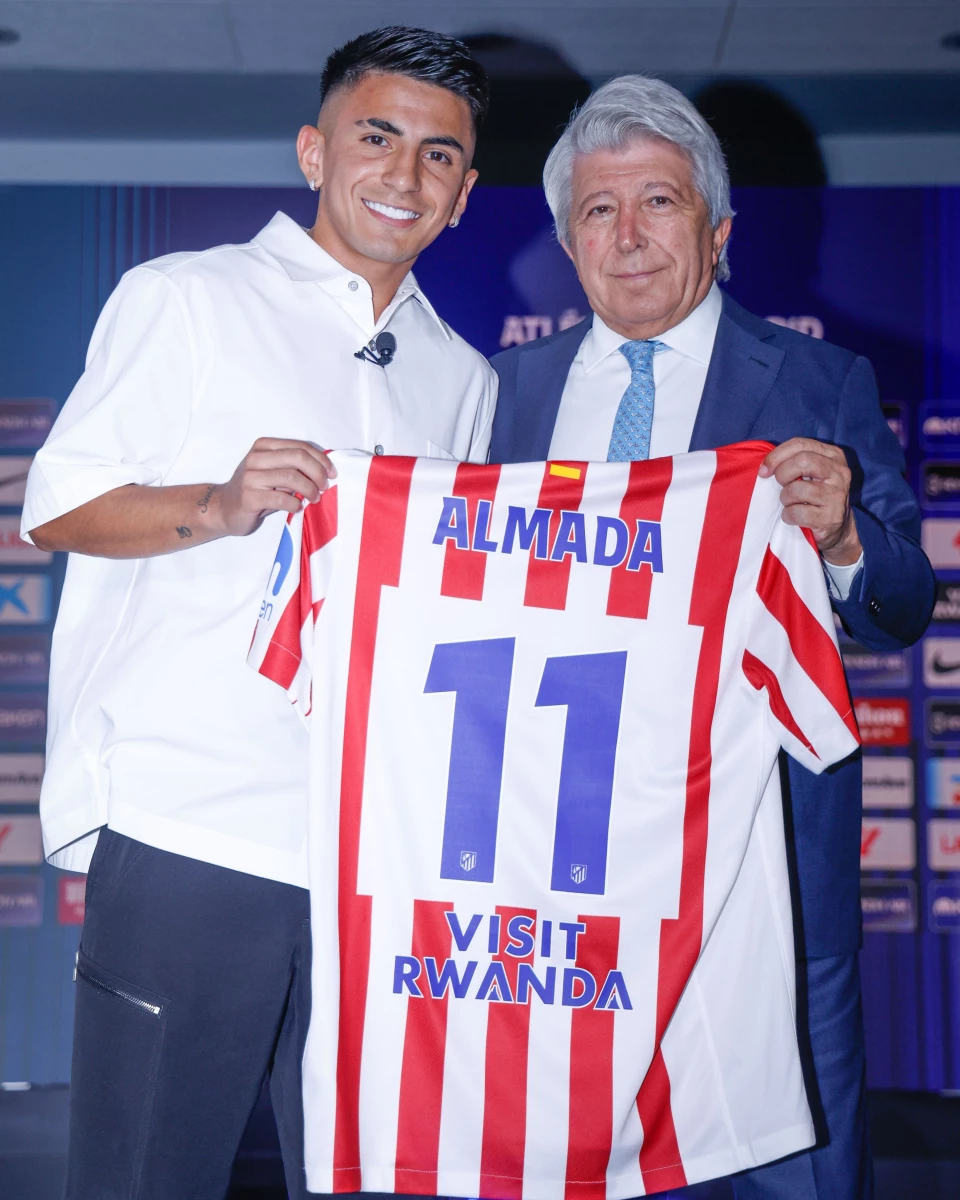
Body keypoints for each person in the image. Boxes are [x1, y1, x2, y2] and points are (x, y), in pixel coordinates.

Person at [23, 26, 494, 1200]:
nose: (404, 172)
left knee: (369, 1177)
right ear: (312, 149)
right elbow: (59, 506)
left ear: (466, 192)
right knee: (147, 1177)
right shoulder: (187, 295)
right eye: (376, 136)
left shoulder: (464, 375)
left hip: (376, 852)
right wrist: (221, 503)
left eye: (439, 155)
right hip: (196, 826)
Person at [489, 75, 934, 1200]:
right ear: (564, 237)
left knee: (794, 1175)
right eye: (598, 209)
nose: (628, 237)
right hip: (559, 874)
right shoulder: (497, 397)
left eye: (659, 204)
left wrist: (839, 540)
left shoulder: (821, 382)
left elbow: (899, 610)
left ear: (721, 232)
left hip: (764, 871)